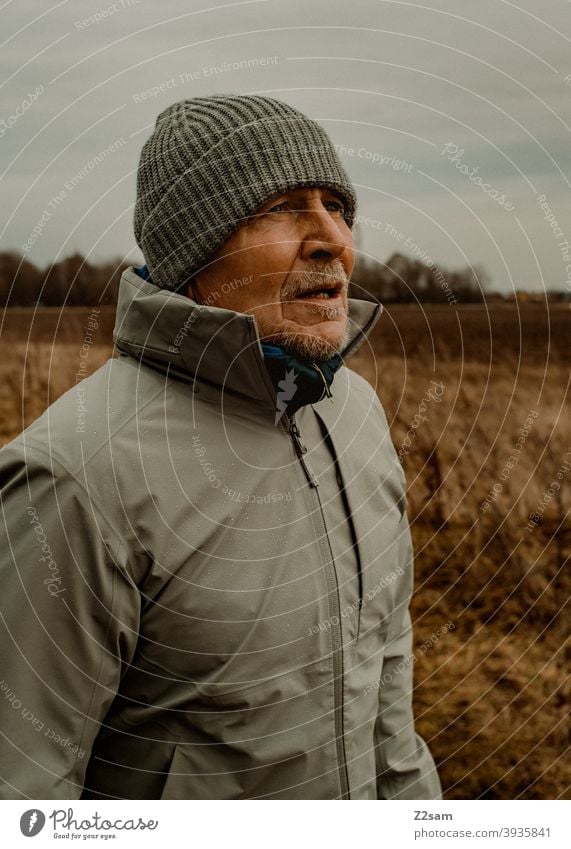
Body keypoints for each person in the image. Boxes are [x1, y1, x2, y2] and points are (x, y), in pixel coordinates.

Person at [0, 95, 441, 800]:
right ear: (193, 253)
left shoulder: (353, 411)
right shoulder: (74, 475)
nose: (333, 237)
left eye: (337, 205)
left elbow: (384, 677)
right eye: (280, 206)